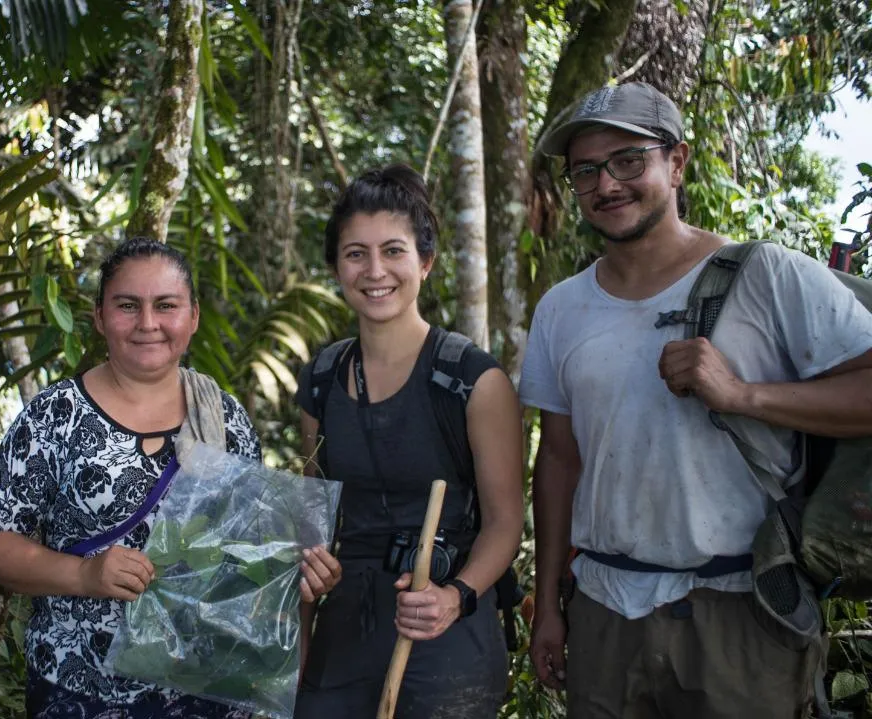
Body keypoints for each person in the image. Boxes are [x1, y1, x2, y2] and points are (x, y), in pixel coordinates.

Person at [521, 81, 872, 718]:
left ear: (677, 162)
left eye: (629, 161)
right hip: (605, 611)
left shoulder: (769, 276)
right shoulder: (561, 309)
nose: (607, 185)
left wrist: (744, 394)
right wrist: (548, 604)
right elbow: (559, 461)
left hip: (741, 611)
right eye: (585, 172)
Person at [0, 237, 342, 719]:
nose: (148, 324)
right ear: (100, 317)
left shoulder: (225, 418)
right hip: (82, 689)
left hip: (207, 690)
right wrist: (83, 574)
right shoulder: (55, 416)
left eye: (166, 306)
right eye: (128, 306)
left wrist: (300, 571)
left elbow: (247, 557)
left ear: (193, 317)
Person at [292, 164, 525, 719]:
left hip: (447, 626)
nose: (375, 271)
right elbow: (312, 518)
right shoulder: (322, 379)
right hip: (346, 628)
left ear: (425, 261)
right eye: (355, 254)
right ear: (335, 267)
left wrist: (456, 597)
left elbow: (505, 523)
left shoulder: (473, 380)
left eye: (393, 251)